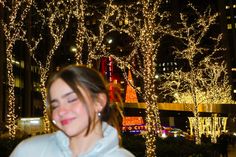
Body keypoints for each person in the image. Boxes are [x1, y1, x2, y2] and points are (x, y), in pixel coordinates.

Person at [10, 65, 135, 157]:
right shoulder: (29, 151)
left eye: (71, 99)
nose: (61, 111)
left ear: (99, 102)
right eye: (55, 105)